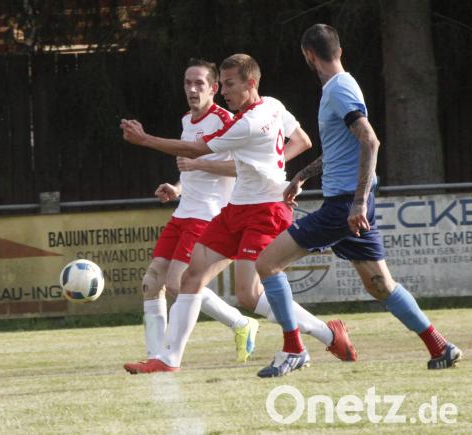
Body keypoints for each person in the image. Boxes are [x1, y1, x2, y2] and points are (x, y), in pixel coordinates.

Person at [120, 54, 356, 374]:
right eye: (224, 84)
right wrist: (275, 169)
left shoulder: (246, 123)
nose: (224, 92)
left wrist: (145, 140)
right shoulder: (272, 104)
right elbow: (300, 140)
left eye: (230, 85)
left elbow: (196, 151)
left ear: (251, 84)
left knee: (248, 295)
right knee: (191, 278)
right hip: (235, 209)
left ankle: (328, 334)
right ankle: (167, 359)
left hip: (264, 212)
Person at [254, 24, 462, 377]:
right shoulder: (340, 88)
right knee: (379, 284)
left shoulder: (338, 90)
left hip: (345, 207)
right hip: (348, 204)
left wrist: (357, 204)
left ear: (309, 55)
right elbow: (342, 150)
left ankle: (294, 350)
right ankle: (440, 346)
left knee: (267, 265)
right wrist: (303, 176)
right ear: (339, 50)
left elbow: (370, 141)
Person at [139, 58, 246, 363]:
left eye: (199, 83)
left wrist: (199, 163)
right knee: (151, 283)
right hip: (183, 211)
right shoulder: (187, 121)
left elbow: (243, 168)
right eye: (188, 82)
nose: (192, 88)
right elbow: (191, 172)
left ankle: (240, 323)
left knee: (176, 283)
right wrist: (177, 188)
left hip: (209, 214)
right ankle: (155, 357)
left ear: (214, 88)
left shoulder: (227, 121)